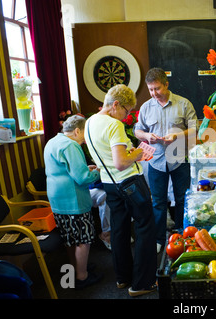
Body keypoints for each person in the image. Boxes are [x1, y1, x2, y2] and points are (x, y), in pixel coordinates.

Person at [84, 84, 157, 297]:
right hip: (129, 182)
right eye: (126, 110)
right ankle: (142, 283)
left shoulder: (90, 122)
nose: (126, 116)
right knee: (145, 228)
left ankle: (123, 278)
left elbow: (106, 159)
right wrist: (136, 154)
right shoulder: (113, 125)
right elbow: (120, 162)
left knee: (119, 229)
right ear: (116, 104)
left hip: (109, 184)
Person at [134, 67, 197, 253]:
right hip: (155, 161)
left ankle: (181, 235)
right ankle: (160, 239)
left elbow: (194, 129)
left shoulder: (184, 104)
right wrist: (146, 135)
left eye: (157, 89)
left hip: (179, 159)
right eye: (151, 89)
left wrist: (178, 135)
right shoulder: (146, 107)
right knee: (158, 202)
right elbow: (137, 130)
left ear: (166, 84)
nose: (154, 93)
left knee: (182, 199)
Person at [44, 115, 102, 289]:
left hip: (57, 198)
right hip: (73, 199)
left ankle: (76, 269)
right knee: (83, 239)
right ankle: (82, 276)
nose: (85, 140)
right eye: (84, 135)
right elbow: (83, 178)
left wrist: (86, 168)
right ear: (77, 130)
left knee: (70, 238)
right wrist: (98, 170)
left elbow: (64, 169)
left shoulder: (53, 141)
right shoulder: (71, 145)